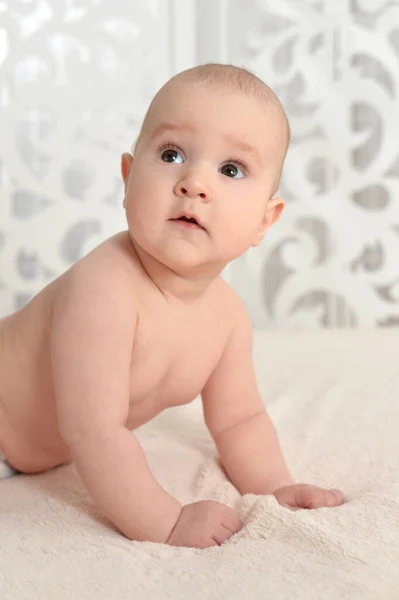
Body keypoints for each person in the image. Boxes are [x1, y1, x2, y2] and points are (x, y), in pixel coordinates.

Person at [0, 63, 345, 548]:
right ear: (127, 178)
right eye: (171, 153)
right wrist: (166, 521)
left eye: (231, 169)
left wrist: (273, 488)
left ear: (265, 222)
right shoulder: (103, 288)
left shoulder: (227, 321)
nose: (194, 182)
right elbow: (92, 428)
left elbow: (239, 420)